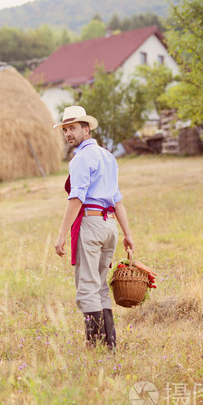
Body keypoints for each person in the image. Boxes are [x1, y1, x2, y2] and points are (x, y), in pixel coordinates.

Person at [53, 105, 134, 349]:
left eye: (73, 128)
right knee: (99, 286)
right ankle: (109, 345)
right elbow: (116, 199)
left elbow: (77, 198)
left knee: (86, 288)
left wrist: (61, 235)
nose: (68, 133)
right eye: (65, 129)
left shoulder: (81, 159)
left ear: (86, 129)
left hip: (91, 222)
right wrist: (127, 234)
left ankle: (96, 346)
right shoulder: (108, 156)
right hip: (109, 226)